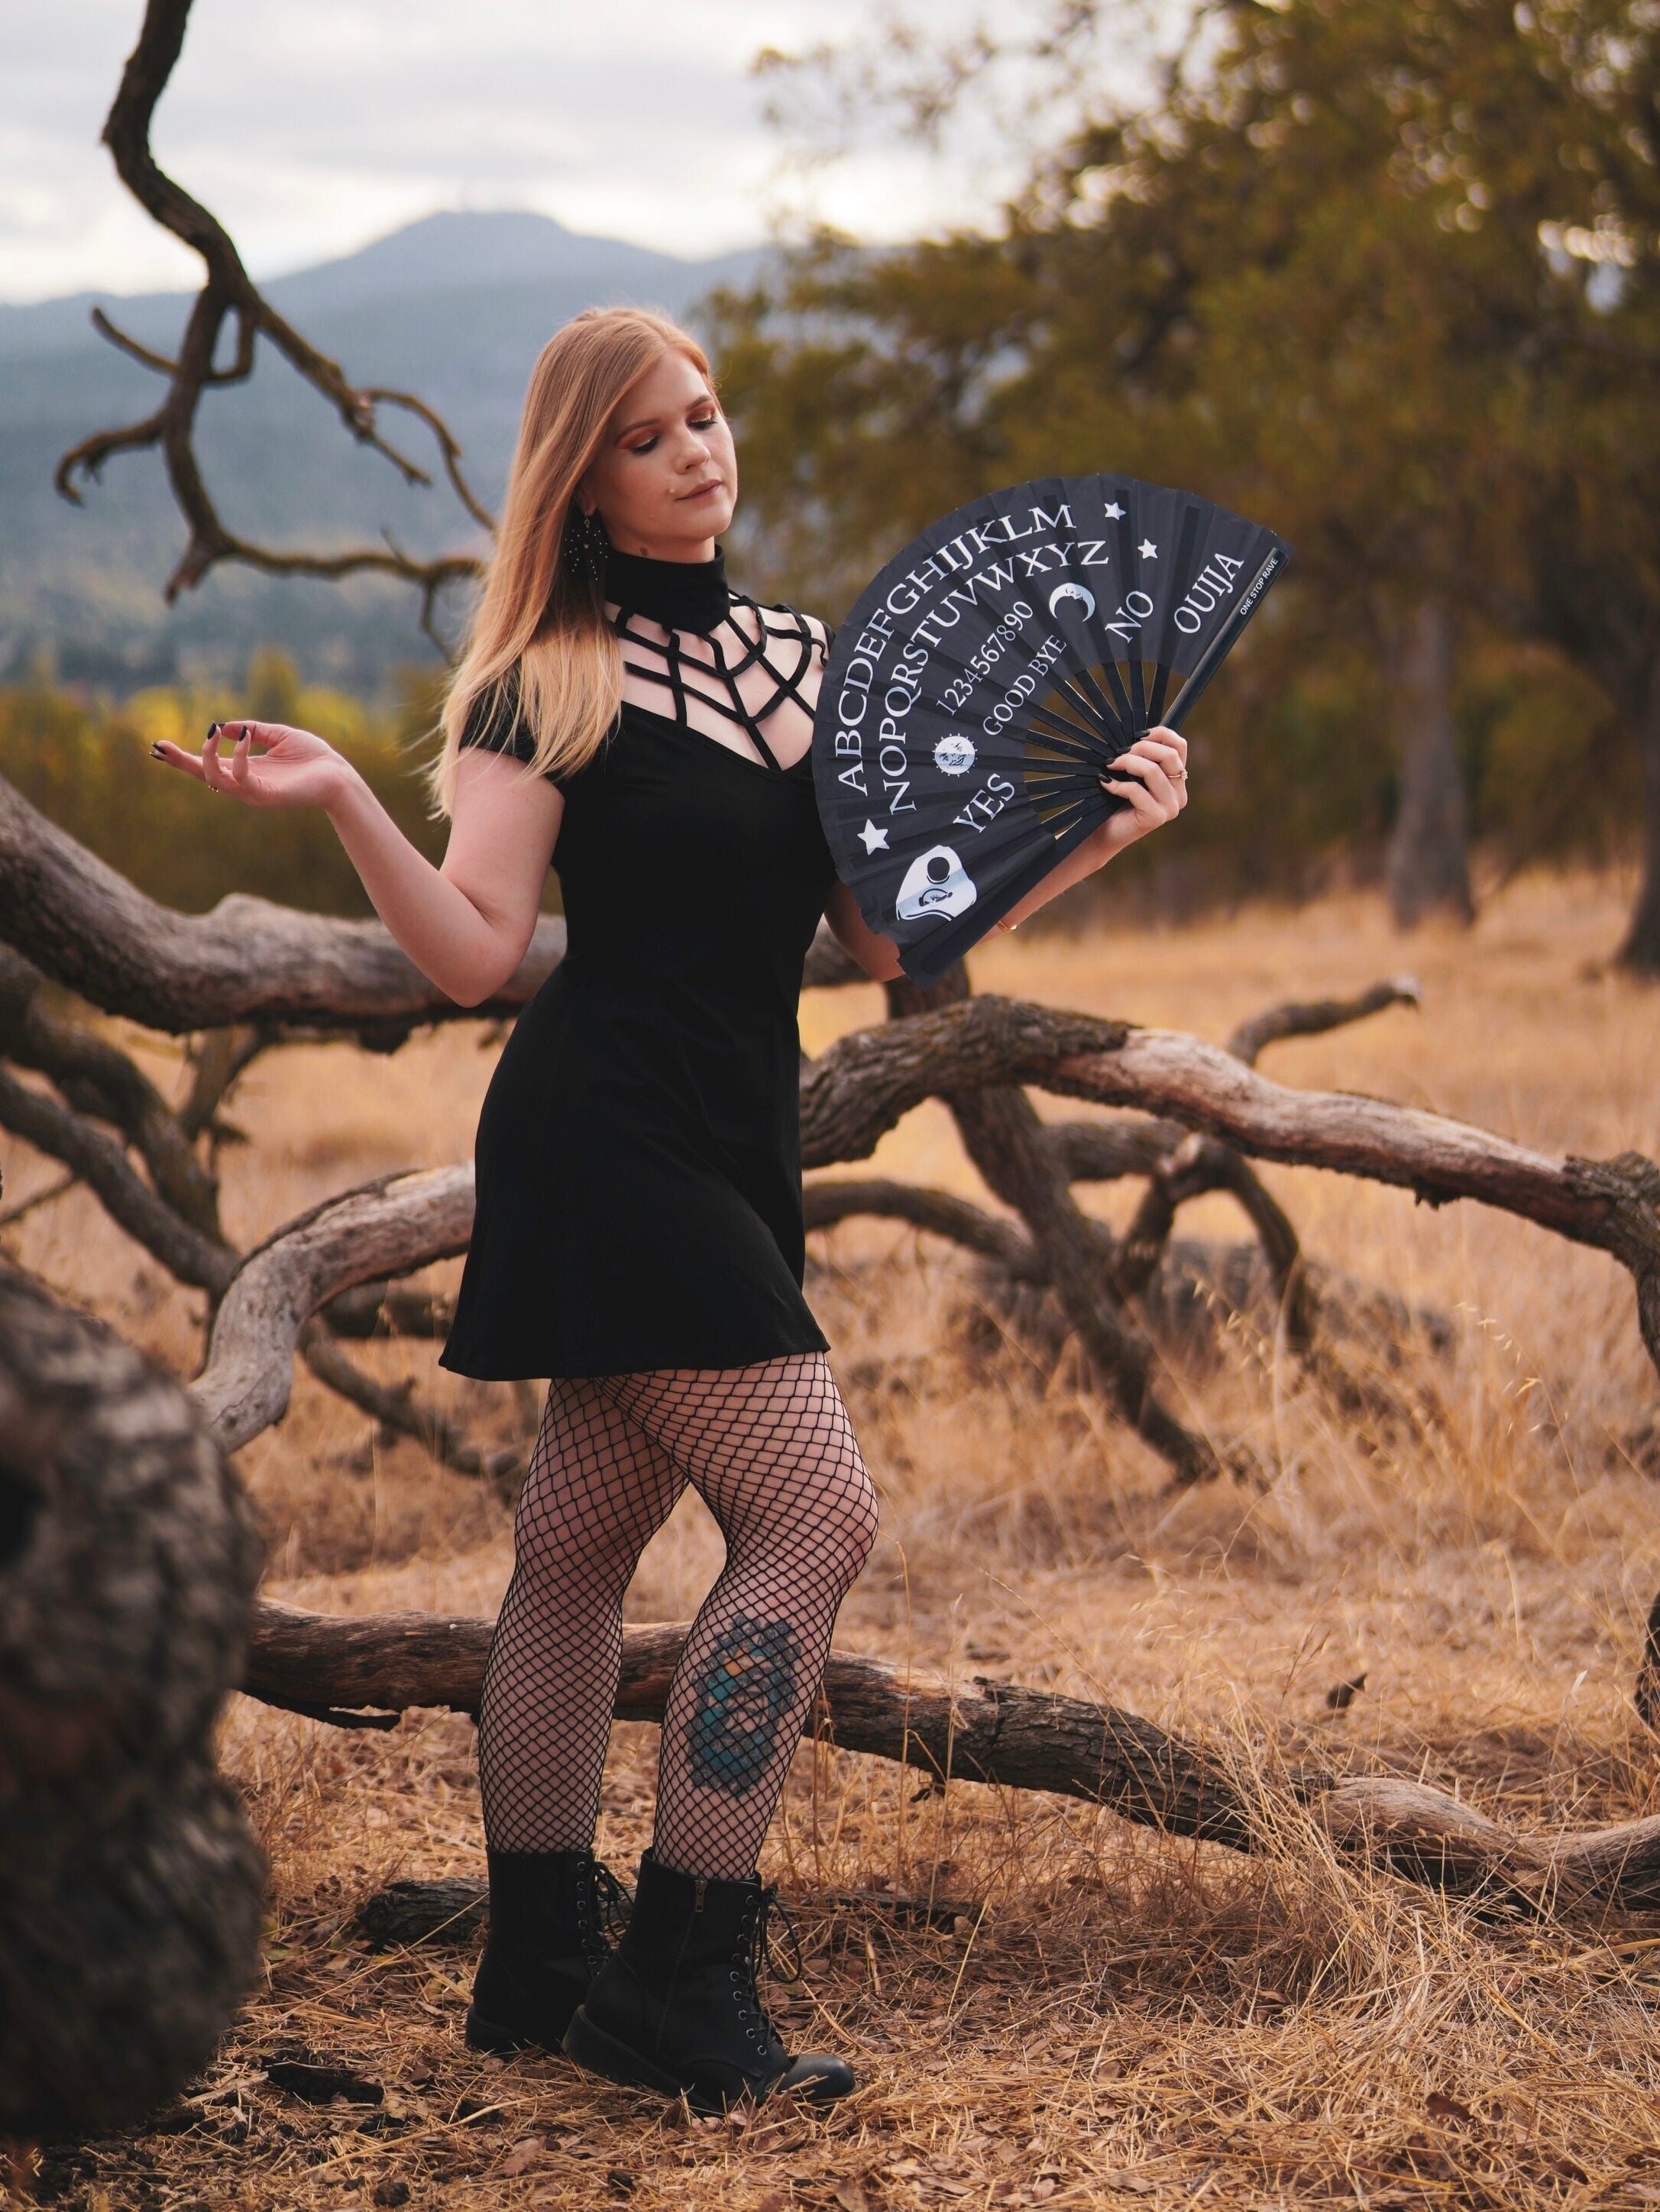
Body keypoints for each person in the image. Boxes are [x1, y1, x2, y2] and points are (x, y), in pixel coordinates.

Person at [152, 306, 1189, 2110]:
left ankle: (541, 1959)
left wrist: (1091, 836)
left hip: (733, 1132)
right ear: (585, 480)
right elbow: (477, 951)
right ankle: (683, 1971)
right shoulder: (542, 683)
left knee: (576, 1543)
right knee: (819, 1512)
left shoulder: (814, 664)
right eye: (647, 436)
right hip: (602, 1132)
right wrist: (342, 800)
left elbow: (881, 940)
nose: (697, 451)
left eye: (704, 416)